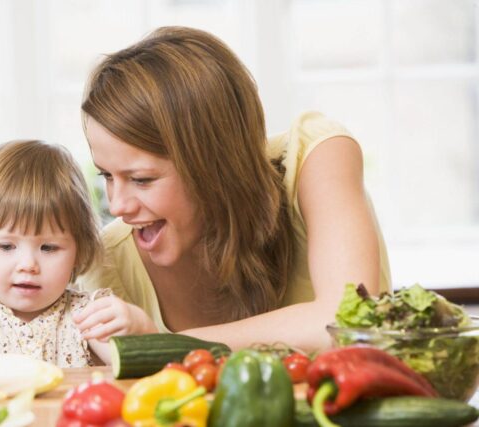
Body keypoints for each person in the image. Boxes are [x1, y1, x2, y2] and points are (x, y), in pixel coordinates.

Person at [73, 26, 391, 352]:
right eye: (106, 176)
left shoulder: (316, 158)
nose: (117, 206)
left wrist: (165, 345)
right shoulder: (110, 263)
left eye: (141, 180)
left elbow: (350, 325)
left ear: (213, 165)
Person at [0, 140, 157, 368]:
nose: (28, 265)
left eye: (49, 248)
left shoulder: (84, 316)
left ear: (78, 251)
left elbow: (132, 361)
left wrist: (138, 326)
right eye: (6, 247)